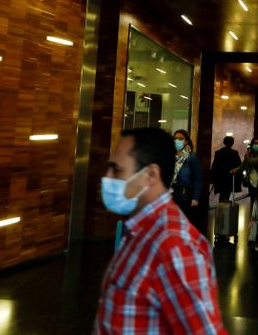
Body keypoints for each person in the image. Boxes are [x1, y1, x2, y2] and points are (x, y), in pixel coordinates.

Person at [94, 127, 227, 334]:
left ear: (151, 175)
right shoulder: (139, 231)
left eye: (117, 169)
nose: (107, 177)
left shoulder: (174, 247)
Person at [171, 129, 202, 229]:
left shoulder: (192, 157)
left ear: (186, 141)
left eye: (180, 139)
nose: (177, 141)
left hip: (185, 197)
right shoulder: (171, 156)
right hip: (171, 195)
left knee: (184, 225)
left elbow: (198, 178)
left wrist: (195, 197)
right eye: (175, 139)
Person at [232, 137, 258, 211]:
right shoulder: (250, 155)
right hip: (251, 181)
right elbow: (243, 165)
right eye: (255, 143)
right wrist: (236, 169)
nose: (256, 145)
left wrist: (246, 156)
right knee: (252, 200)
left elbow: (253, 162)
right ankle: (252, 218)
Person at [211, 135, 241, 203]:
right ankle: (225, 209)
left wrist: (213, 178)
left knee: (221, 195)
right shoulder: (234, 153)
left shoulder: (218, 153)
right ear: (232, 143)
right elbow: (239, 165)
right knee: (227, 195)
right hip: (230, 178)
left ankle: (221, 209)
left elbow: (214, 166)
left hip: (220, 178)